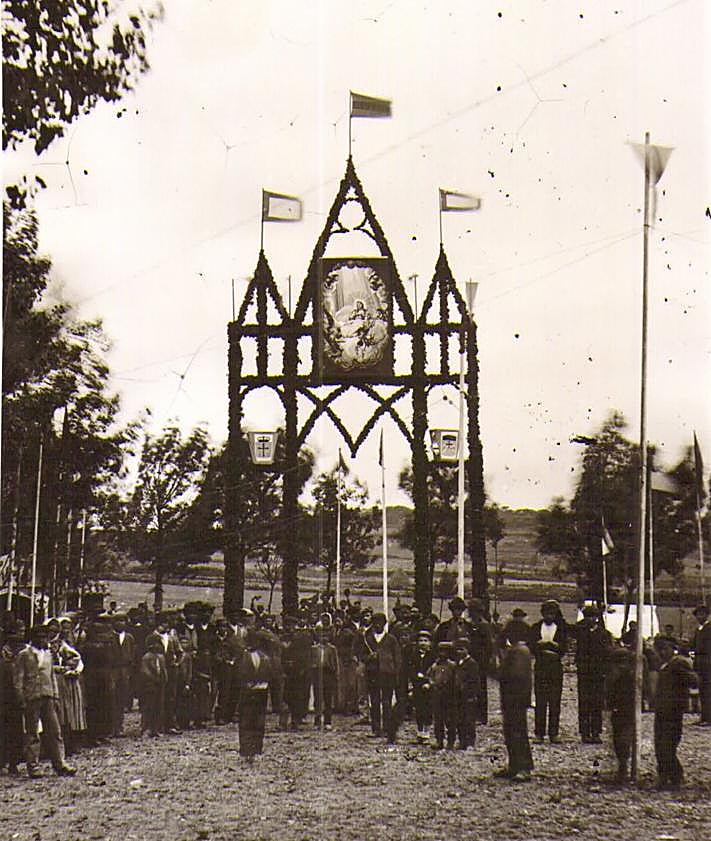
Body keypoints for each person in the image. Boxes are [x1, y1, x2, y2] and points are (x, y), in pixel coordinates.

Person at [13, 625, 76, 778]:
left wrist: (55, 695)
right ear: (33, 638)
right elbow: (18, 679)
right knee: (32, 733)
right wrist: (21, 698)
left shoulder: (48, 654)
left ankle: (60, 763)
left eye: (45, 637)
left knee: (55, 731)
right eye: (39, 637)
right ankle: (33, 766)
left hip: (48, 696)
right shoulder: (24, 655)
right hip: (32, 697)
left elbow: (52, 676)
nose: (43, 640)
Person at [654, 637, 697, 789]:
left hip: (673, 711)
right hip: (662, 710)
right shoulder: (663, 665)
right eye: (660, 649)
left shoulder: (678, 663)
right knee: (659, 744)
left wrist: (681, 695)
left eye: (666, 649)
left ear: (673, 649)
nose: (662, 652)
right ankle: (665, 776)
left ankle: (675, 777)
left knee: (668, 744)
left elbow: (693, 680)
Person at [529, 599, 567, 744]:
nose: (549, 616)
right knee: (540, 701)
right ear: (543, 614)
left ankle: (554, 733)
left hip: (555, 668)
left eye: (552, 614)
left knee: (555, 701)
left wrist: (553, 645)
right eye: (547, 614)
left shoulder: (561, 628)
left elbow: (563, 648)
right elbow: (532, 646)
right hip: (541, 667)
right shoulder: (536, 627)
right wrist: (541, 646)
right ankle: (539, 733)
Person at [358, 612, 401, 742]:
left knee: (387, 702)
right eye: (375, 623)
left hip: (388, 674)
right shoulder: (368, 639)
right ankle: (376, 729)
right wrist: (368, 658)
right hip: (373, 674)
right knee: (374, 701)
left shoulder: (391, 639)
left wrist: (395, 672)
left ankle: (388, 728)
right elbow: (361, 655)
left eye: (380, 623)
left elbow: (397, 657)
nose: (378, 625)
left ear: (384, 624)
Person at [497, 639, 533, 782]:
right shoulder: (514, 650)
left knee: (518, 732)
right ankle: (514, 765)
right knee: (510, 732)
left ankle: (524, 767)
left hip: (516, 698)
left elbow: (515, 675)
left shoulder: (519, 651)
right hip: (510, 697)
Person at [575, 604, 611, 743]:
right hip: (584, 672)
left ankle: (596, 732)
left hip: (598, 673)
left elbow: (608, 653)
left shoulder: (603, 634)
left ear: (596, 618)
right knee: (584, 702)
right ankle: (585, 732)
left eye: (592, 617)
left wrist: (604, 670)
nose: (590, 619)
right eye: (587, 617)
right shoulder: (581, 632)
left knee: (597, 703)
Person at [237, 630, 272, 761]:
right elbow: (239, 673)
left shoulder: (264, 657)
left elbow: (269, 673)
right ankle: (246, 749)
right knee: (247, 719)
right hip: (248, 690)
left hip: (260, 690)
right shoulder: (243, 656)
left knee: (258, 719)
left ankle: (257, 747)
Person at [605, 642, 635, 782]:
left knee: (624, 739)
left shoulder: (631, 676)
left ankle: (624, 766)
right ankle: (622, 765)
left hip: (628, 711)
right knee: (617, 739)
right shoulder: (613, 676)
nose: (621, 666)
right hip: (617, 711)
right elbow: (609, 693)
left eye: (624, 662)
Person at [426, 641, 457, 750]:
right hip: (437, 694)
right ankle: (439, 740)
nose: (442, 653)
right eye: (440, 651)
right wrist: (431, 683)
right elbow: (429, 676)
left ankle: (451, 741)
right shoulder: (435, 666)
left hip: (449, 695)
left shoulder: (453, 665)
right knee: (438, 719)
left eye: (445, 651)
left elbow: (456, 680)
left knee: (450, 719)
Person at [311, 623, 339, 730]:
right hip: (317, 673)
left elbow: (335, 663)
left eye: (326, 635)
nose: (324, 637)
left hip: (328, 674)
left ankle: (328, 721)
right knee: (318, 698)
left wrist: (336, 675)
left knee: (328, 698)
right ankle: (317, 721)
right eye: (322, 635)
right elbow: (311, 661)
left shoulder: (332, 649)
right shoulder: (314, 648)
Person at [408, 629, 434, 743]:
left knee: (428, 709)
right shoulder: (414, 656)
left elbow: (435, 672)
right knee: (419, 709)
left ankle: (427, 732)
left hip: (429, 686)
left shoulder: (433, 656)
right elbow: (410, 670)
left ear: (430, 643)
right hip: (417, 685)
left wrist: (429, 682)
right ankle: (419, 731)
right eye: (420, 641)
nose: (423, 643)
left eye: (425, 640)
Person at [454, 638, 480, 750]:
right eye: (457, 649)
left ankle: (470, 742)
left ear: (468, 650)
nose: (459, 652)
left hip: (468, 696)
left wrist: (472, 694)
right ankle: (462, 740)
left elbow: (474, 681)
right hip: (459, 696)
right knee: (459, 719)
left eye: (462, 649)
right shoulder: (457, 663)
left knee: (469, 720)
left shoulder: (472, 664)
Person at [140, 637, 168, 737]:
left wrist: (164, 680)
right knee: (148, 707)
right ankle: (146, 728)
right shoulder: (146, 657)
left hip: (160, 685)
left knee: (158, 707)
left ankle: (156, 728)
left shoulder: (161, 657)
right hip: (150, 685)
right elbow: (145, 671)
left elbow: (164, 670)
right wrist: (154, 679)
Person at [691, 604, 711, 726]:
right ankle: (704, 717)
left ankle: (708, 718)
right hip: (700, 664)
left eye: (702, 614)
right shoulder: (698, 630)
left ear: (706, 615)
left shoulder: (709, 628)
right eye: (698, 615)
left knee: (708, 692)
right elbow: (694, 645)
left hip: (708, 664)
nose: (699, 617)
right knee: (703, 691)